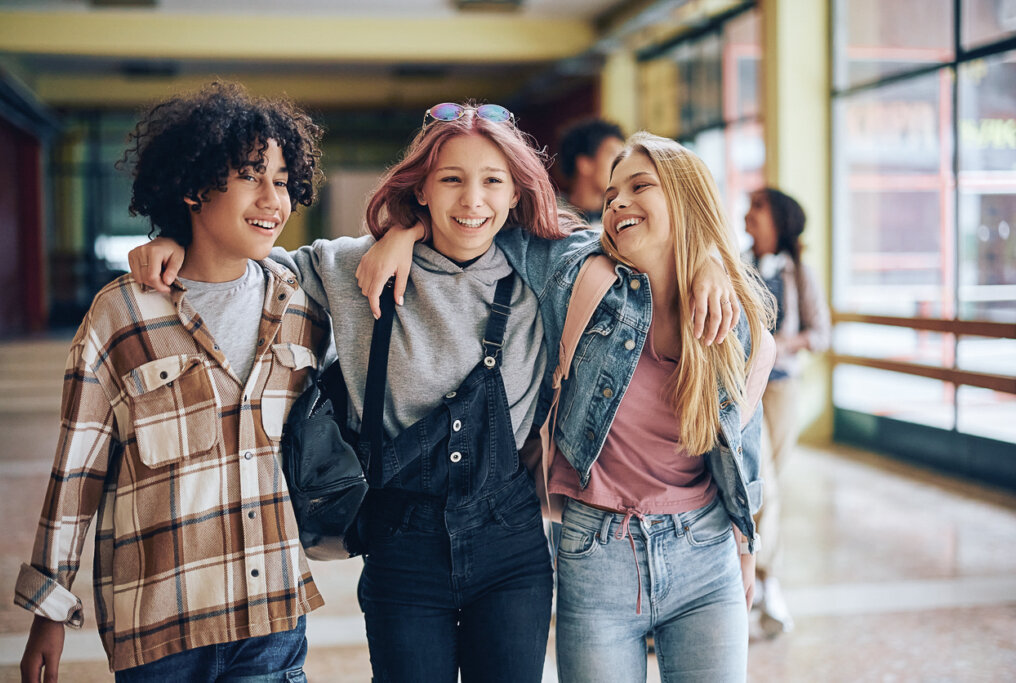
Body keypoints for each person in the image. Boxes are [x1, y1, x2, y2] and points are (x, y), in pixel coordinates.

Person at [132, 104, 738, 682]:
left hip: (510, 546)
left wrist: (710, 256)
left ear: (515, 194)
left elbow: (641, 253)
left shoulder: (546, 272)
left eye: (492, 181)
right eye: (451, 179)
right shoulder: (352, 267)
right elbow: (246, 267)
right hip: (401, 548)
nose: (473, 200)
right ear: (421, 188)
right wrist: (175, 243)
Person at [358, 132, 777, 682]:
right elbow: (484, 218)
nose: (618, 202)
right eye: (611, 194)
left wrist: (746, 545)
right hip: (595, 551)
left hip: (705, 550)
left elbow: (740, 439)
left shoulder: (732, 315)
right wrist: (403, 231)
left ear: (687, 199)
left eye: (639, 186)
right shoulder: (577, 271)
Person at [16, 82, 329, 681]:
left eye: (283, 180)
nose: (274, 199)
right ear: (192, 187)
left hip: (271, 618)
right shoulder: (123, 313)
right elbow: (77, 471)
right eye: (250, 175)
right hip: (162, 625)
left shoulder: (302, 306)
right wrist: (49, 611)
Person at [744, 187, 831, 636]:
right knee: (766, 487)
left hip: (782, 390)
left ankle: (759, 579)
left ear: (780, 220)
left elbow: (821, 333)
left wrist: (780, 346)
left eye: (758, 207)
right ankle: (764, 579)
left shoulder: (799, 274)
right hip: (744, 391)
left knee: (769, 480)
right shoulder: (733, 265)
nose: (747, 213)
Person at [557, 118, 625, 226]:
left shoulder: (621, 215)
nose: (621, 164)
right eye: (613, 155)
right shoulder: (551, 216)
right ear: (585, 164)